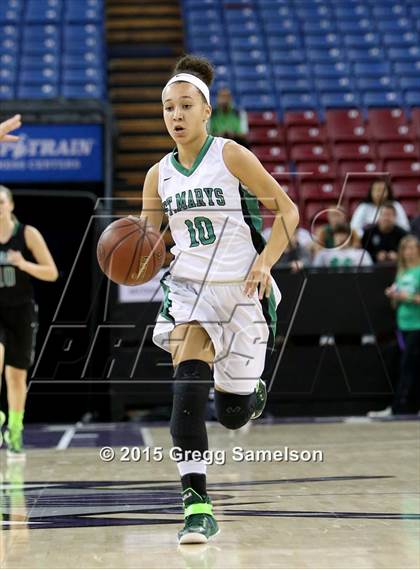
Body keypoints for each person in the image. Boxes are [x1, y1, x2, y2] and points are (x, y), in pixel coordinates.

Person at [139, 54, 299, 544]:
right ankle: (197, 506)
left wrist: (265, 261)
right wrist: (135, 255)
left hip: (243, 292)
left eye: (186, 105)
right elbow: (148, 246)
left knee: (231, 415)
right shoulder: (157, 175)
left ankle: (249, 398)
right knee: (186, 393)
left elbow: (288, 212)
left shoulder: (231, 155)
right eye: (169, 108)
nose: (177, 115)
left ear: (206, 111)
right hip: (190, 291)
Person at [0, 186, 58, 458]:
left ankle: (14, 427)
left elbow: (51, 273)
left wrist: (23, 263)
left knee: (16, 375)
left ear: (10, 205)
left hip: (21, 310)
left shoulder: (27, 234)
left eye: (1, 202)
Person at [370, 236, 420, 417]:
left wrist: (405, 296)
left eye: (413, 248)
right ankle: (406, 406)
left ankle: (398, 408)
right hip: (403, 325)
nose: (409, 252)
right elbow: (397, 303)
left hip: (417, 326)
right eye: (406, 248)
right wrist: (394, 295)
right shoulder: (402, 272)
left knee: (408, 366)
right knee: (404, 366)